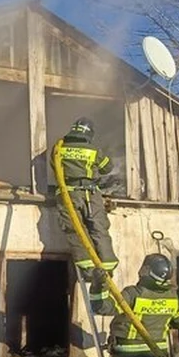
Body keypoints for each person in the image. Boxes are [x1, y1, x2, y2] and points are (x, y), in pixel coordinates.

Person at [52, 117, 119, 277]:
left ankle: (89, 269)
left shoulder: (59, 148)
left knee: (75, 229)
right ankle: (108, 265)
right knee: (99, 227)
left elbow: (54, 166)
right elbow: (107, 168)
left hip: (68, 194)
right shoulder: (94, 150)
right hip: (91, 194)